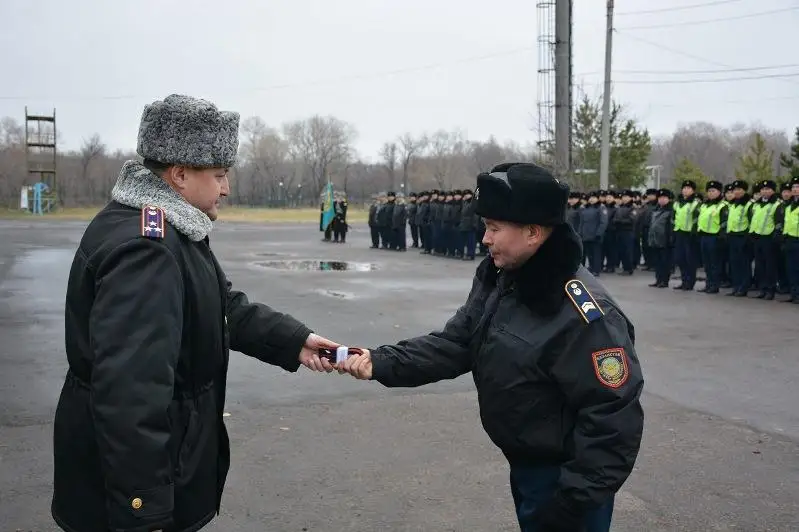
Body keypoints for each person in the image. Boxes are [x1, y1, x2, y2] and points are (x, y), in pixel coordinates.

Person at [52, 94, 339, 532]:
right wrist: (142, 514)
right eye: (220, 175)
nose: (227, 188)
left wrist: (293, 341)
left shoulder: (163, 226)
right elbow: (131, 395)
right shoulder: (147, 250)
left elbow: (219, 305)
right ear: (179, 175)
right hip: (133, 496)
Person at [338, 163, 645, 532]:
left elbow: (613, 416)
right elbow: (458, 343)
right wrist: (381, 361)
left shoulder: (584, 314)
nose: (485, 238)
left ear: (533, 233)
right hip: (529, 466)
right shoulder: (503, 278)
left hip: (566, 481)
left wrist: (571, 503)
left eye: (495, 229)